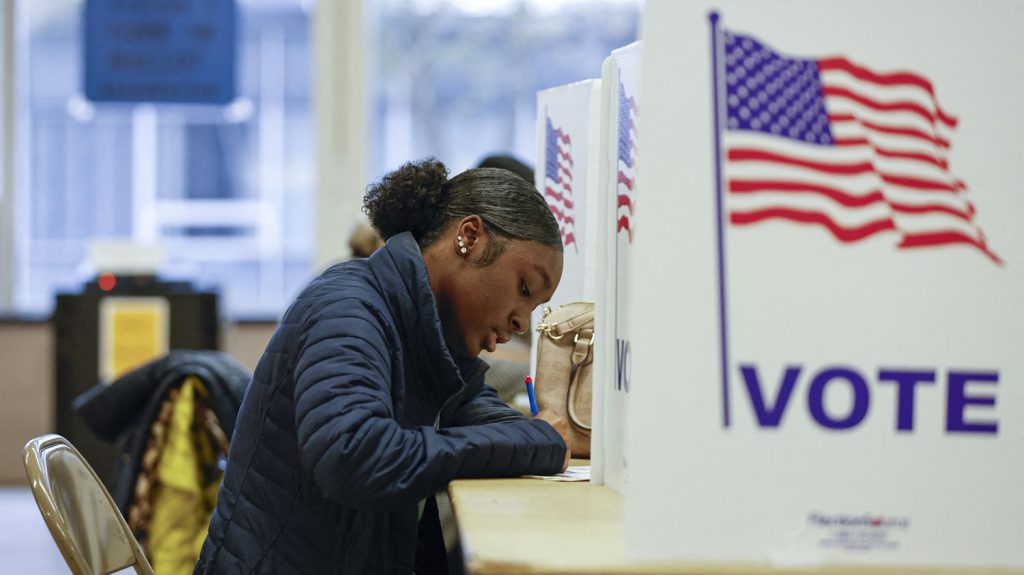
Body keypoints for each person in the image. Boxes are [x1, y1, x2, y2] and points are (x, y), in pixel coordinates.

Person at [194, 159, 572, 574]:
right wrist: (536, 444)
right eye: (523, 288)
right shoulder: (349, 306)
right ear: (470, 237)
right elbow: (354, 455)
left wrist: (538, 440)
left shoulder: (429, 334)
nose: (522, 321)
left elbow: (482, 414)